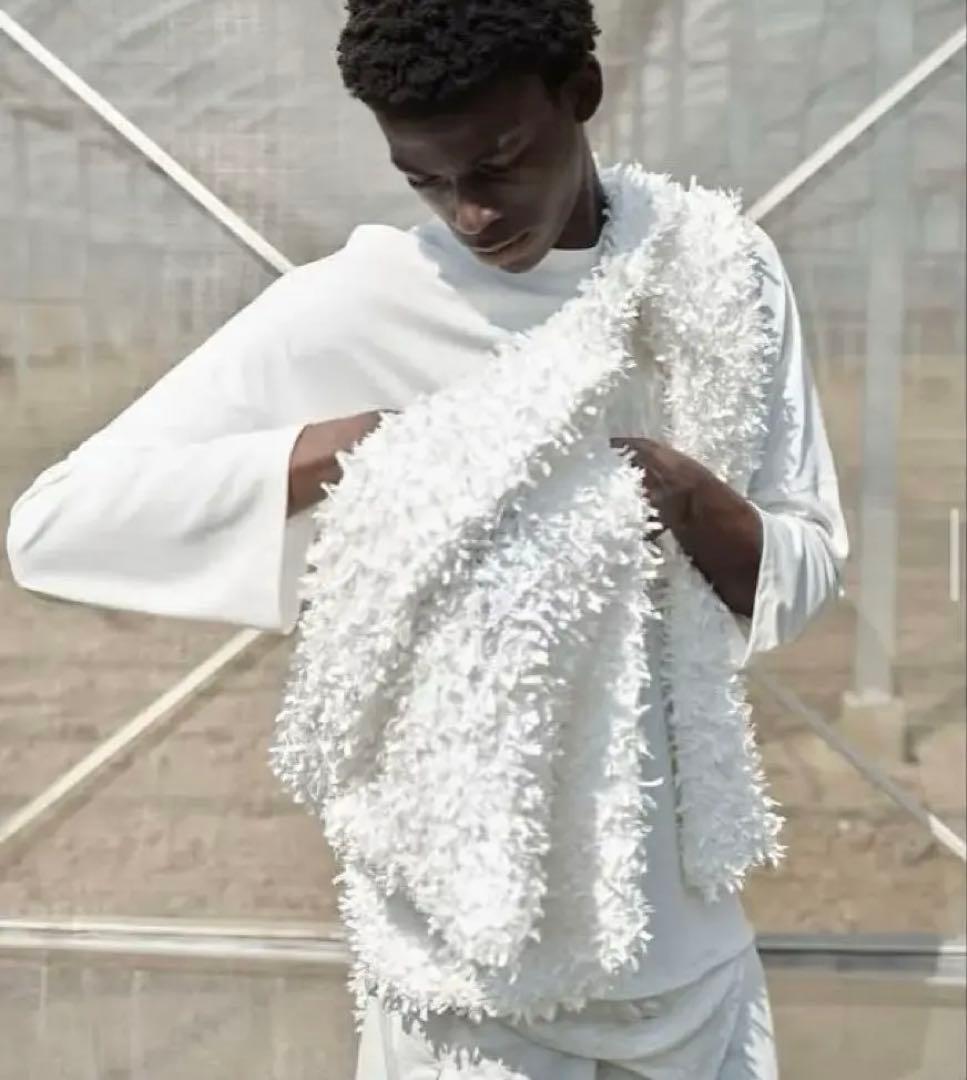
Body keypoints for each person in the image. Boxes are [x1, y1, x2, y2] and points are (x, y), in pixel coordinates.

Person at [6, 2, 847, 1077]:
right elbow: (55, 524)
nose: (471, 214)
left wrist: (679, 495)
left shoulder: (713, 278)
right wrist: (355, 450)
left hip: (684, 956)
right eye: (426, 180)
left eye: (498, 163)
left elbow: (803, 568)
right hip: (460, 978)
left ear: (580, 95)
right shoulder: (354, 307)